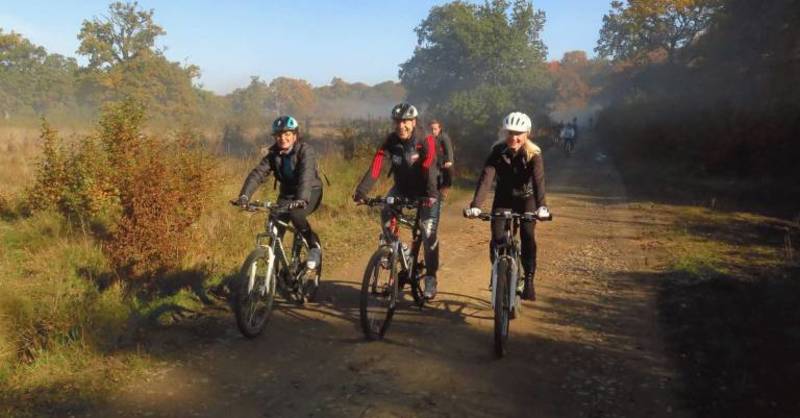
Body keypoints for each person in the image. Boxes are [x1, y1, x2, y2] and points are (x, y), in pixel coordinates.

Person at [353, 103, 441, 299]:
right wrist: (361, 192)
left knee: (428, 233)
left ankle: (431, 278)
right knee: (386, 210)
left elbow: (429, 164)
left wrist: (430, 195)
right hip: (402, 188)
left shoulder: (425, 138)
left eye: (405, 122)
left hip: (427, 190)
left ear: (413, 122)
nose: (401, 126)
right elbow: (377, 165)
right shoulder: (391, 141)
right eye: (397, 122)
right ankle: (400, 250)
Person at [464, 112, 549, 301]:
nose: (514, 137)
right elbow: (486, 179)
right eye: (510, 132)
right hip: (503, 198)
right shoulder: (497, 152)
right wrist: (476, 205)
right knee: (497, 236)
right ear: (505, 133)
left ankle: (529, 279)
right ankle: (498, 272)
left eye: (519, 133)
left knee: (527, 234)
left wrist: (542, 207)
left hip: (526, 199)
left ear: (527, 134)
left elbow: (538, 181)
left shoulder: (534, 154)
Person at [236, 115, 323, 268]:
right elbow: (257, 174)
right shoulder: (273, 154)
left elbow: (306, 175)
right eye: (278, 135)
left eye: (287, 134)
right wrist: (244, 196)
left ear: (295, 135)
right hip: (287, 194)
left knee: (296, 214)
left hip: (310, 191)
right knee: (275, 223)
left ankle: (313, 246)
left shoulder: (305, 151)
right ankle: (276, 272)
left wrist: (301, 199)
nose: (283, 138)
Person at [429, 119, 454, 199]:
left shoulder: (444, 137)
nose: (433, 131)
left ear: (439, 129)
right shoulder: (428, 137)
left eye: (435, 129)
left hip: (443, 161)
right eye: (431, 129)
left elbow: (449, 150)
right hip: (433, 161)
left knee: (449, 170)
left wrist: (449, 161)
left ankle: (445, 188)